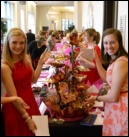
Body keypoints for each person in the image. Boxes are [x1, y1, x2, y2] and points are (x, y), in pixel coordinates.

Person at [1, 28, 51, 136]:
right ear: (8, 43)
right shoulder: (5, 66)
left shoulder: (26, 59)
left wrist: (41, 63)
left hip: (30, 100)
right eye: (14, 42)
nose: (18, 46)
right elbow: (13, 96)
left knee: (38, 132)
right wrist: (27, 118)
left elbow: (33, 79)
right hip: (15, 107)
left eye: (21, 43)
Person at [87, 28, 128, 136]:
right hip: (115, 106)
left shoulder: (121, 62)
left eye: (112, 42)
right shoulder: (115, 59)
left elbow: (113, 97)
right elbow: (106, 78)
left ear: (119, 42)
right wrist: (96, 58)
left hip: (121, 107)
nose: (109, 46)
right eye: (106, 43)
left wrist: (95, 98)